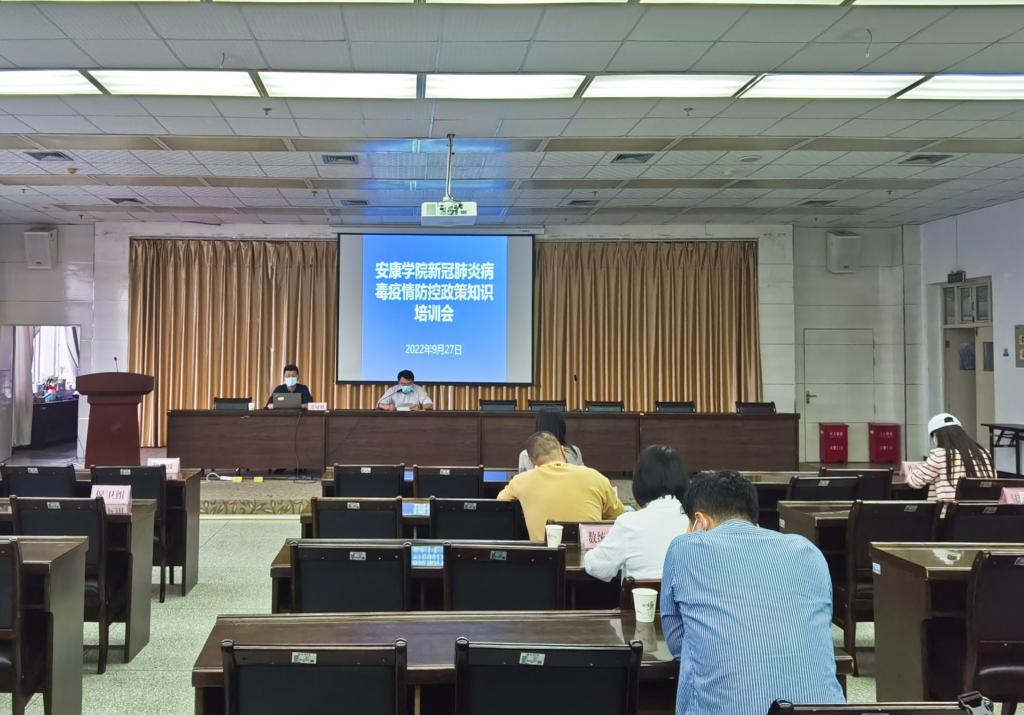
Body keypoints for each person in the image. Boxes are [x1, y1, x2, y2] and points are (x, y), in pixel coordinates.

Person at [660, 470, 844, 715]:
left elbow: (678, 643)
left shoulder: (685, 548)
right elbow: (820, 625)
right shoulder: (807, 550)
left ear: (700, 521)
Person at [583, 445, 690, 581]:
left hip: (642, 596)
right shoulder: (698, 521)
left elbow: (597, 567)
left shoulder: (629, 523)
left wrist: (588, 553)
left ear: (641, 481)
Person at [497, 431, 624, 541]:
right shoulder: (595, 476)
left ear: (531, 462)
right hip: (589, 557)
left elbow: (500, 502)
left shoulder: (521, 481)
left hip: (546, 558)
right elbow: (618, 515)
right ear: (563, 451)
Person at [906, 412, 995, 502]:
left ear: (936, 436)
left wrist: (910, 473)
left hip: (950, 510)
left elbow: (915, 481)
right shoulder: (984, 453)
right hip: (981, 509)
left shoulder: (940, 454)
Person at [517, 408, 583, 473]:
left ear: (538, 425)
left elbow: (522, 479)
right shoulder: (574, 451)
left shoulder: (526, 454)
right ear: (562, 426)